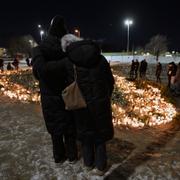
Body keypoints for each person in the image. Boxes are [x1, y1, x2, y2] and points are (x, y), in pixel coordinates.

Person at [61, 34, 114, 176]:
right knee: (100, 135)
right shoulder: (101, 59)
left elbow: (67, 84)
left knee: (85, 135)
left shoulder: (70, 62)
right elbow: (110, 81)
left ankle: (88, 164)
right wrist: (104, 97)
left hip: (80, 104)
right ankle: (101, 167)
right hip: (100, 103)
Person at [32, 16, 77, 164]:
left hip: (49, 95)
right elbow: (72, 71)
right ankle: (72, 156)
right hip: (67, 94)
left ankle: (59, 157)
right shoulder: (67, 49)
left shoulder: (40, 50)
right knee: (69, 127)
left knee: (55, 128)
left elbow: (38, 73)